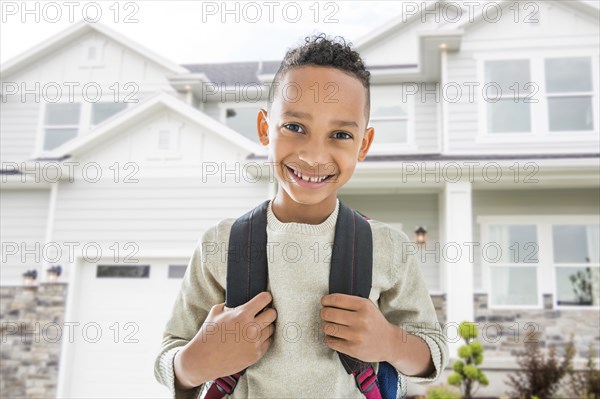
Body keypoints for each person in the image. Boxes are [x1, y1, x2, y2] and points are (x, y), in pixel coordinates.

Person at [154, 34, 448, 399]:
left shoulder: (388, 248)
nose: (313, 155)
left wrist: (389, 342)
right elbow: (169, 356)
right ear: (264, 129)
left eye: (340, 134)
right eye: (295, 127)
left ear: (364, 146)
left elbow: (432, 354)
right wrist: (197, 361)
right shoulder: (221, 244)